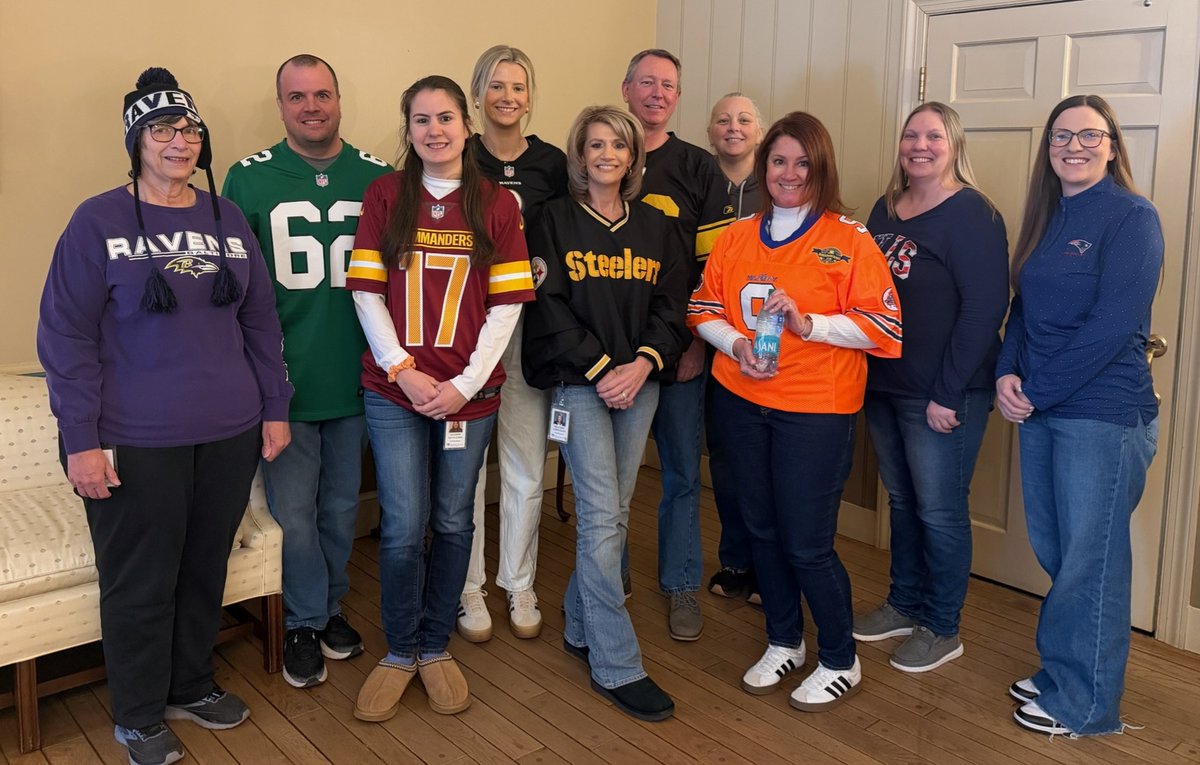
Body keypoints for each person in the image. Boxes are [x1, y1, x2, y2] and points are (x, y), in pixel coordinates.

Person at [37, 67, 292, 765]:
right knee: (141, 580)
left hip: (230, 431)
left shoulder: (228, 218)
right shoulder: (98, 220)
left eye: (188, 129)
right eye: (161, 129)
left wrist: (274, 409)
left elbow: (261, 322)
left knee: (204, 567)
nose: (179, 141)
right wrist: (80, 441)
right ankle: (140, 713)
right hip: (135, 439)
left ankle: (189, 683)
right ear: (136, 142)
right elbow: (66, 336)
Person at [688, 111, 902, 712]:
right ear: (764, 168)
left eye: (802, 163)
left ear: (821, 169)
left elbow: (883, 325)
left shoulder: (849, 239)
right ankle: (784, 638)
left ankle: (840, 657)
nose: (789, 173)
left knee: (806, 541)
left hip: (816, 409)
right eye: (778, 161)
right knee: (759, 529)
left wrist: (811, 324)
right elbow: (703, 307)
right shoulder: (736, 235)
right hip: (742, 400)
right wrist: (734, 345)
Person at [347, 75, 534, 722]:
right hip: (393, 392)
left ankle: (435, 643)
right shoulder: (385, 195)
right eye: (421, 119)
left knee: (455, 520)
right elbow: (366, 293)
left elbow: (507, 307)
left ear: (467, 126)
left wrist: (462, 382)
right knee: (401, 527)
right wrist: (403, 370)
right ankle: (400, 648)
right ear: (408, 130)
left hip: (469, 395)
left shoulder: (496, 204)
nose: (435, 129)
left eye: (446, 117)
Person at [222, 53, 392, 689]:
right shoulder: (248, 179)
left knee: (343, 507)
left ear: (340, 100)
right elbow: (232, 291)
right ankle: (302, 619)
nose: (312, 106)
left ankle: (329, 607)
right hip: (285, 383)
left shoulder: (380, 177)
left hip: (359, 378)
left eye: (322, 94)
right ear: (281, 106)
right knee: (293, 512)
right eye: (298, 97)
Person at [995, 95, 1162, 736]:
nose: (1074, 145)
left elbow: (1111, 328)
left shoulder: (1132, 218)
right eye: (1062, 135)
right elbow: (1023, 309)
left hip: (1102, 414)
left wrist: (1035, 389)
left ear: (1112, 146)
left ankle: (1088, 706)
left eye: (1090, 135)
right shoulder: (1048, 216)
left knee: (1092, 561)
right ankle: (1064, 668)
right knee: (1062, 553)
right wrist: (1007, 372)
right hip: (1043, 407)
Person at [523, 105, 689, 722]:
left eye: (618, 145)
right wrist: (600, 371)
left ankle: (576, 618)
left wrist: (642, 365)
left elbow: (674, 306)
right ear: (579, 155)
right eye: (595, 145)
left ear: (633, 156)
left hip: (638, 385)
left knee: (613, 512)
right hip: (580, 386)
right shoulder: (552, 221)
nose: (607, 155)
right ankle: (617, 664)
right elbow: (548, 307)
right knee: (600, 521)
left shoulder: (657, 226)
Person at [853, 102, 1009, 672]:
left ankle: (942, 626)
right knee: (902, 501)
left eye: (933, 135)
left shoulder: (975, 214)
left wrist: (947, 392)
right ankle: (903, 603)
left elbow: (984, 309)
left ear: (954, 144)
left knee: (941, 511)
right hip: (886, 385)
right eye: (910, 135)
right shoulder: (885, 208)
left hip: (944, 393)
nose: (920, 144)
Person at [620, 48, 734, 640]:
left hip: (682, 352)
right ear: (626, 90)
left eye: (668, 84)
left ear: (677, 96)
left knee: (683, 474)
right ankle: (608, 581)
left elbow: (713, 272)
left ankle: (682, 582)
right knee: (613, 480)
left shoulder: (698, 168)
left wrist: (696, 345)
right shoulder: (598, 156)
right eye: (646, 82)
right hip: (616, 356)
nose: (657, 93)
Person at [457, 44, 568, 644]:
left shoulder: (551, 162)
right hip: (467, 330)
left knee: (526, 462)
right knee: (467, 466)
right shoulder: (457, 151)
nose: (507, 97)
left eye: (518, 87)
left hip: (528, 331)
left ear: (530, 96)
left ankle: (517, 581)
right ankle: (467, 587)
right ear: (477, 94)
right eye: (496, 85)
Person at [703, 92, 765, 604]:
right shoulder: (698, 186)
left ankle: (772, 568)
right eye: (723, 119)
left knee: (767, 465)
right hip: (710, 344)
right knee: (725, 460)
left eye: (744, 119)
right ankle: (737, 561)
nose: (734, 127)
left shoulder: (782, 187)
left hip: (772, 356)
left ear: (760, 133)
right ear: (709, 132)